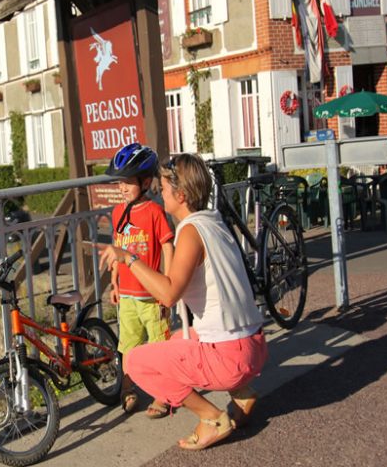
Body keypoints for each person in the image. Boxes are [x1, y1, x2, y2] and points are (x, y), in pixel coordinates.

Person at [99, 153, 267, 451]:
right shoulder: (213, 221)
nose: (159, 193)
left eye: (163, 188)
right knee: (178, 337)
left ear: (181, 194)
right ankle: (241, 393)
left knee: (136, 361)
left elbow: (168, 293)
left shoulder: (189, 232)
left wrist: (128, 258)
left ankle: (212, 417)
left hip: (231, 357)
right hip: (253, 345)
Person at [105, 143, 174, 418]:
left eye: (128, 182)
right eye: (120, 182)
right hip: (129, 297)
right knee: (128, 348)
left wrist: (168, 284)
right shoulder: (117, 213)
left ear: (145, 182)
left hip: (152, 296)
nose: (122, 188)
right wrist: (114, 282)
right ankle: (128, 388)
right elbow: (116, 249)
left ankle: (163, 393)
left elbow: (167, 247)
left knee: (159, 347)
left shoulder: (155, 212)